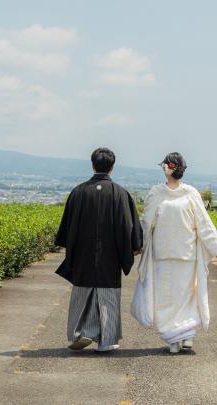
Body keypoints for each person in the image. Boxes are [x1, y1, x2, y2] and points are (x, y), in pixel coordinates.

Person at [130, 152, 217, 353]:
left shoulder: (183, 193)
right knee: (174, 296)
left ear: (167, 169)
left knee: (183, 295)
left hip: (181, 256)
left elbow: (202, 224)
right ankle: (176, 338)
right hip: (169, 255)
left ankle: (183, 336)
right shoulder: (162, 193)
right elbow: (147, 224)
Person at [55, 147, 143, 352]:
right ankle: (106, 341)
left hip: (83, 254)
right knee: (108, 296)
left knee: (81, 294)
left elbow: (68, 227)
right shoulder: (121, 194)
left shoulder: (78, 191)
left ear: (93, 165)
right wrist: (133, 247)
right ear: (112, 167)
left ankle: (77, 334)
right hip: (110, 255)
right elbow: (128, 225)